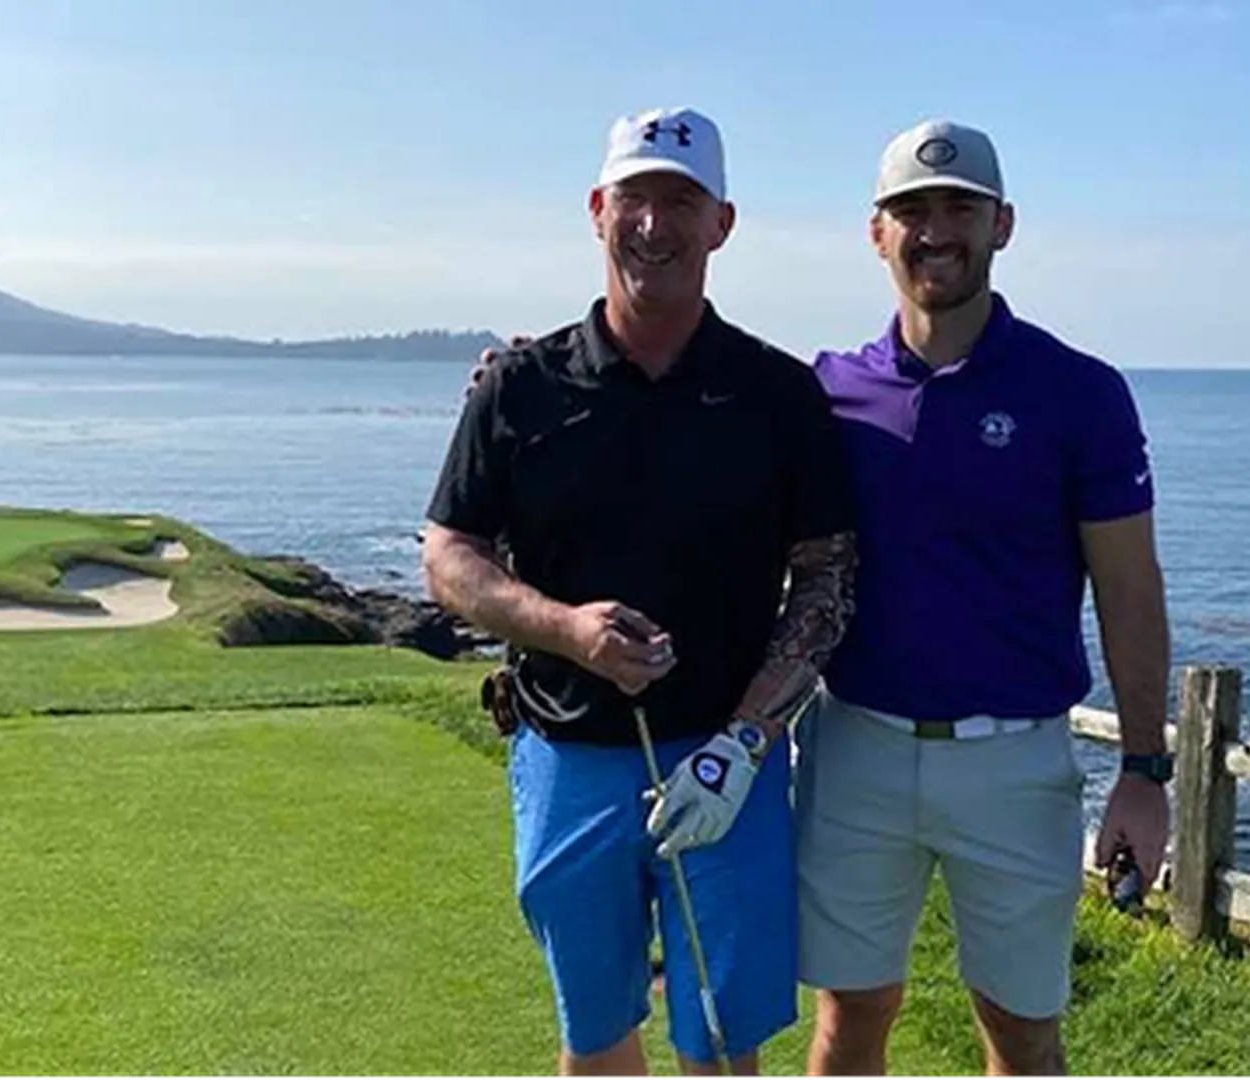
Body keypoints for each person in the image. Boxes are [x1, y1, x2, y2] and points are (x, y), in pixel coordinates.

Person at [423, 105, 858, 1080]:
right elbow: (450, 555)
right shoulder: (521, 387)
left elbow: (827, 578)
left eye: (679, 201)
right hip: (567, 758)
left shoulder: (776, 395)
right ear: (596, 210)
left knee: (718, 1038)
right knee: (597, 1033)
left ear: (722, 223)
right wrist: (564, 629)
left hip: (725, 762)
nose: (654, 225)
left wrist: (743, 747)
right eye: (634, 200)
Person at [796, 119, 1172, 1080]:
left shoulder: (1079, 393)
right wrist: (534, 378)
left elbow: (1127, 591)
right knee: (851, 1013)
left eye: (958, 208)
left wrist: (1142, 770)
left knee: (1021, 1027)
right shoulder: (823, 394)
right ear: (875, 233)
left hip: (1014, 762)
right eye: (910, 212)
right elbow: (697, 457)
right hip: (855, 750)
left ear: (1001, 225)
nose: (935, 231)